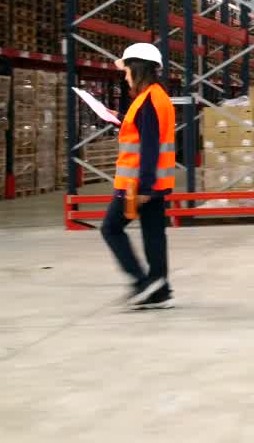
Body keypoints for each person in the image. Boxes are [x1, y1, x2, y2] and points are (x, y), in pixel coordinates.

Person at [101, 42, 177, 310]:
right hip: (154, 184)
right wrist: (120, 118)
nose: (125, 76)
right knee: (153, 233)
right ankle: (160, 290)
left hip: (137, 186)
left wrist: (144, 187)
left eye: (126, 70)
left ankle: (142, 283)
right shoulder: (155, 97)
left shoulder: (148, 101)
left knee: (111, 228)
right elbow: (145, 133)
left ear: (136, 68)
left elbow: (149, 147)